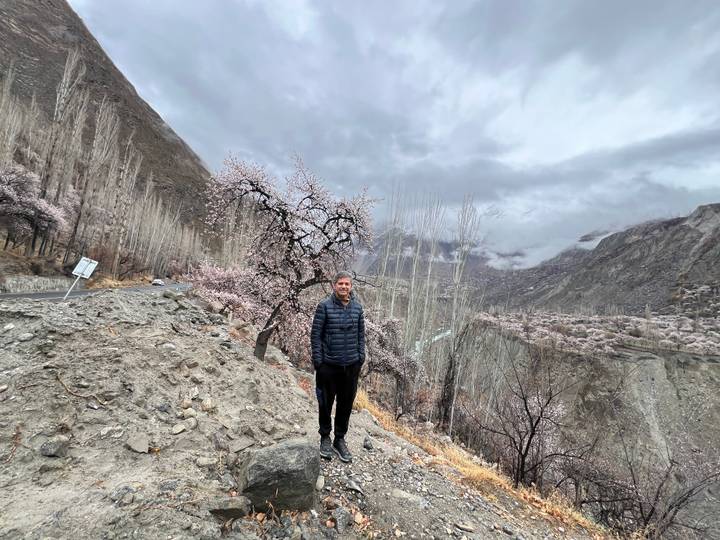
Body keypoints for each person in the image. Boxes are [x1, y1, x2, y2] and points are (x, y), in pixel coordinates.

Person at [310, 271, 365, 463]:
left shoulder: (357, 308)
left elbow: (361, 336)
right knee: (325, 403)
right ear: (334, 285)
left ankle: (339, 439)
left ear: (351, 287)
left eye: (347, 284)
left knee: (345, 405)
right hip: (328, 367)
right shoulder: (324, 307)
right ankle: (325, 437)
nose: (343, 287)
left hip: (350, 367)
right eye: (340, 283)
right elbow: (315, 336)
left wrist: (360, 358)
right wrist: (319, 362)